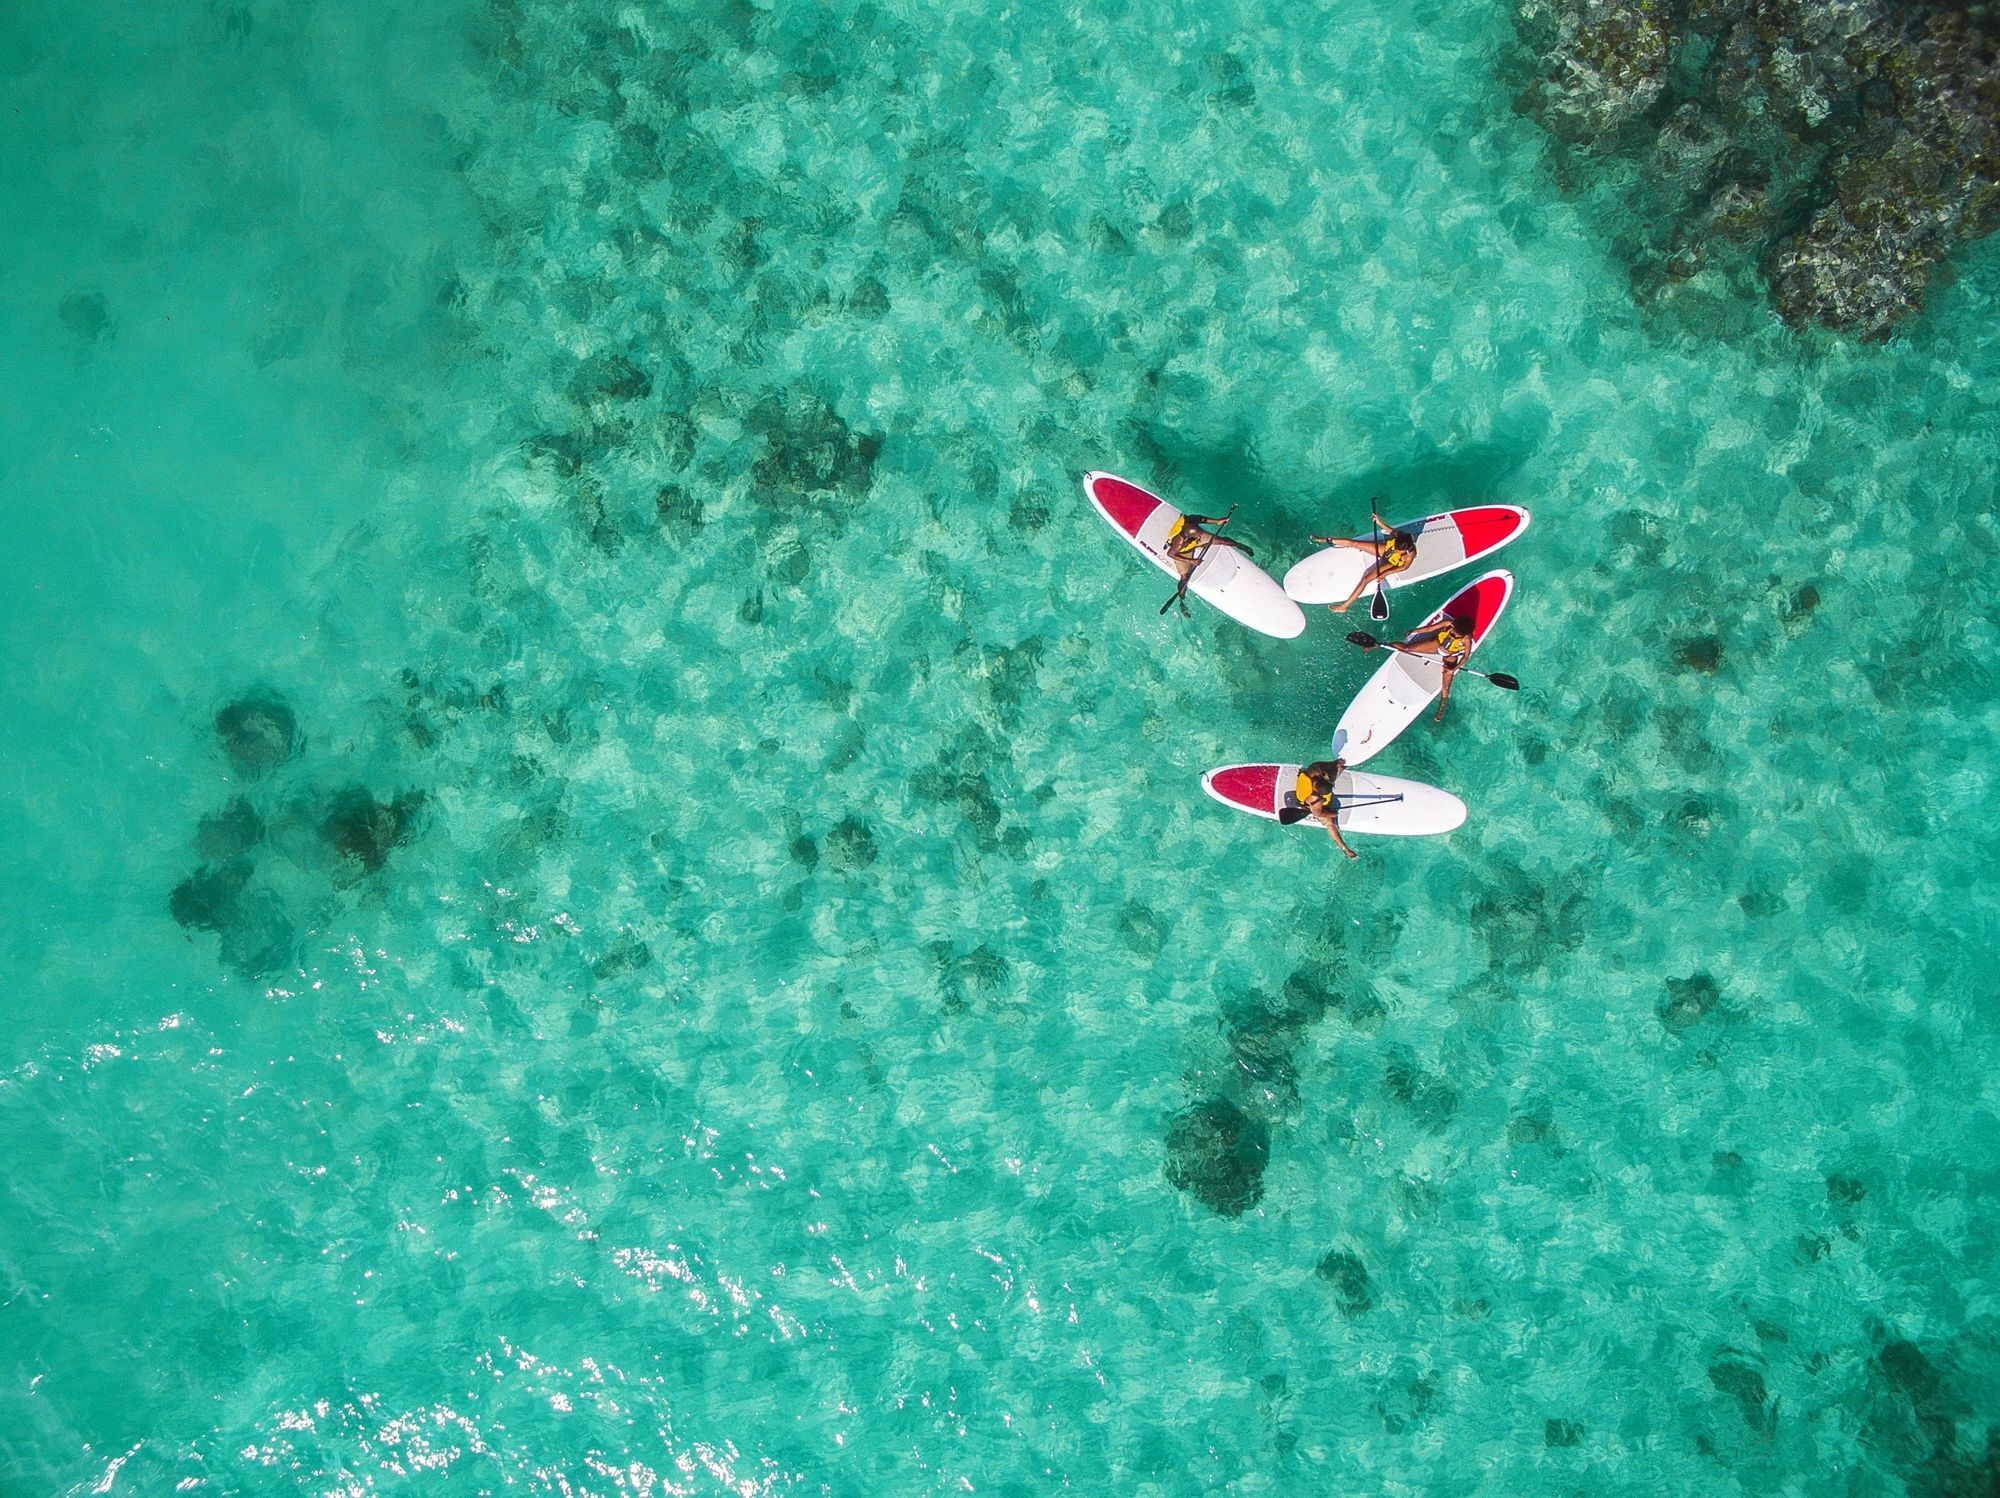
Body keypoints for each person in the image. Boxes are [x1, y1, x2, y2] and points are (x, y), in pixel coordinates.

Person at [1310, 510, 1418, 613]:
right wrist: (1379, 521)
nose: (1396, 549)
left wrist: (1385, 573)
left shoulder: (1410, 554)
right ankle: (1325, 540)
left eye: (1398, 550)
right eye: (1396, 547)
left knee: (1365, 580)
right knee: (1354, 543)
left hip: (1391, 562)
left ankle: (1344, 607)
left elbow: (1404, 567)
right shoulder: (1400, 536)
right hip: (1385, 550)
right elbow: (1391, 531)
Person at [1383, 613, 1476, 722]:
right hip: (1436, 645)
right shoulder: (1449, 624)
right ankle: (1380, 644)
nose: (1454, 633)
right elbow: (1429, 628)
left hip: (1450, 655)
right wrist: (1414, 630)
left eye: (1457, 634)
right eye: (1454, 631)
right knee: (1407, 648)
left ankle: (1442, 707)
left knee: (1446, 684)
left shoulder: (1466, 639)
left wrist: (1453, 670)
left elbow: (1465, 656)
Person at [1295, 759, 1358, 859]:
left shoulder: (1314, 769)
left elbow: (1326, 767)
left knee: (1337, 769)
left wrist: (1336, 764)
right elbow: (1318, 814)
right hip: (1309, 805)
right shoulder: (1315, 799)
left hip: (1316, 783)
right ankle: (1346, 850)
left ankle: (1341, 767)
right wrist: (1333, 814)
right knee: (1330, 823)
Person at [1164, 510, 1247, 586]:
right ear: (1188, 536)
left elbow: (1202, 519)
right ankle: (1182, 597)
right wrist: (1191, 561)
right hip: (1182, 552)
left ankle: (1239, 545)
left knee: (1222, 540)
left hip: (1193, 538)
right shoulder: (1179, 543)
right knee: (1185, 576)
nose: (1200, 535)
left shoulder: (1191, 520)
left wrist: (1218, 521)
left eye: (1199, 533)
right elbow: (1170, 554)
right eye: (1198, 534)